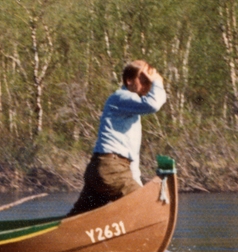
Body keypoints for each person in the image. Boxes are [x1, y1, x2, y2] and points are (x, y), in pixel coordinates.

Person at [68, 60, 167, 216]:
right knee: (146, 211)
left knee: (76, 221)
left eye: (148, 80)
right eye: (143, 79)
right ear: (129, 80)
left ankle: (55, 240)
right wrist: (157, 82)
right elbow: (153, 105)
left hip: (102, 168)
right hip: (111, 169)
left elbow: (130, 159)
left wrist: (137, 185)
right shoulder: (122, 97)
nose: (147, 83)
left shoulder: (129, 108)